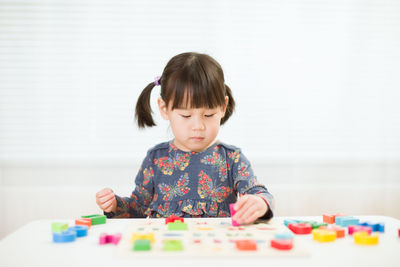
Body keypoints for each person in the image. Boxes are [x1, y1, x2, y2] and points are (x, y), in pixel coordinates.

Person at [96, 52, 274, 224]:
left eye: (209, 114)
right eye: (186, 116)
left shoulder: (231, 158)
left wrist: (259, 203)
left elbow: (257, 192)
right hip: (167, 248)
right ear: (164, 108)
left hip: (214, 249)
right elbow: (137, 208)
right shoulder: (156, 159)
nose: (198, 126)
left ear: (223, 107)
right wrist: (114, 205)